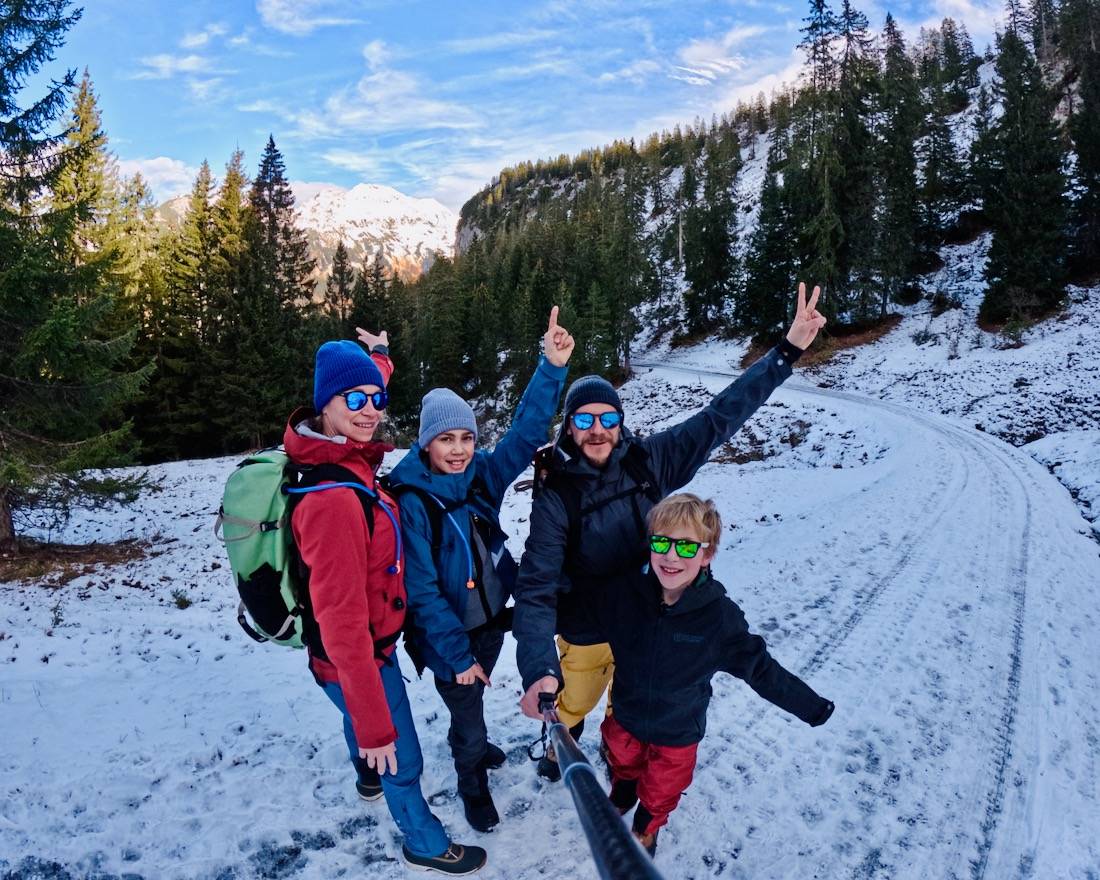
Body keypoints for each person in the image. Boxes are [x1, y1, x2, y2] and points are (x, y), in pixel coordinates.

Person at [513, 283, 828, 781]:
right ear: (569, 427)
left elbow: (719, 418)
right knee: (575, 696)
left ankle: (620, 760)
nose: (598, 429)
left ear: (621, 422)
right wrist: (536, 668)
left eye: (608, 417)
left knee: (630, 700)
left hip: (647, 614)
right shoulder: (557, 494)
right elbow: (534, 586)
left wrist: (786, 352)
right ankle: (560, 742)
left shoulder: (648, 461)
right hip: (588, 627)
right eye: (585, 419)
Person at [283, 333, 486, 875]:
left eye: (377, 399)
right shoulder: (333, 502)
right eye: (354, 400)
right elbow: (344, 625)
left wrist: (381, 361)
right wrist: (378, 729)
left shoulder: (335, 453)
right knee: (401, 753)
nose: (370, 410)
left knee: (357, 714)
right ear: (324, 404)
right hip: (357, 655)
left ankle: (365, 773)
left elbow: (361, 387)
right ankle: (422, 840)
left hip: (347, 655)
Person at [386, 307, 574, 833]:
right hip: (449, 637)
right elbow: (421, 593)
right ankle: (473, 785)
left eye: (466, 438)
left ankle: (477, 740)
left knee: (477, 698)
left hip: (491, 620)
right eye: (447, 440)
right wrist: (457, 655)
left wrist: (552, 367)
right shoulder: (412, 504)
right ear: (426, 443)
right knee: (466, 714)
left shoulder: (479, 477)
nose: (459, 450)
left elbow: (525, 433)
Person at [593, 493, 834, 855]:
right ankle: (624, 791)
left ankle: (646, 825)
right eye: (662, 542)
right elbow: (576, 616)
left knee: (661, 788)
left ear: (707, 554)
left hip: (677, 733)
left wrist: (811, 707)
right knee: (623, 763)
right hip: (625, 718)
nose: (672, 556)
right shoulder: (626, 596)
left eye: (687, 547)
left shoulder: (718, 618)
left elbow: (761, 670)